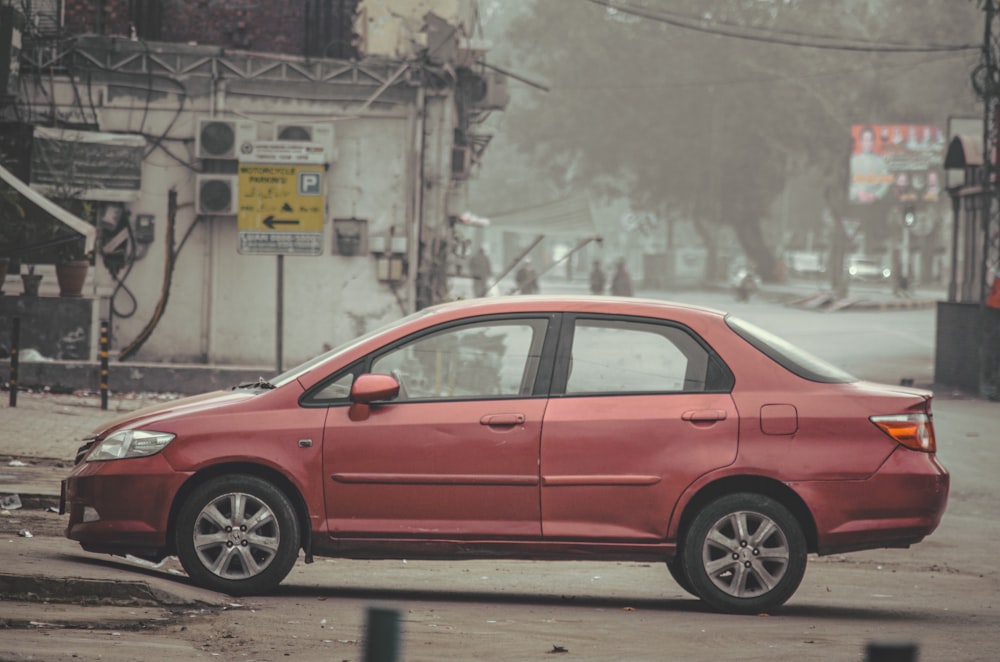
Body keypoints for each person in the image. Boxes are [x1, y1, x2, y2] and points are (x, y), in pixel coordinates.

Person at [849, 126, 892, 204]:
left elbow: (887, 182)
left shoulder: (881, 160)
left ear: (873, 141)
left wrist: (875, 195)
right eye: (865, 140)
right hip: (855, 202)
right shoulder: (852, 160)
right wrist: (857, 193)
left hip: (875, 203)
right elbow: (845, 182)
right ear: (861, 141)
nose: (868, 143)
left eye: (870, 140)